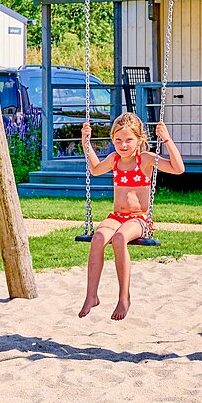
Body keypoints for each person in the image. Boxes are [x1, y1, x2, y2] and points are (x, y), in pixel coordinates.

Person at [79, 112, 185, 319]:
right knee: (98, 238)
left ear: (139, 139)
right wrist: (86, 143)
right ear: (112, 140)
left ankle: (124, 298)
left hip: (139, 219)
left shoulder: (144, 159)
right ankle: (91, 295)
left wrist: (166, 139)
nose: (123, 145)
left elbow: (178, 168)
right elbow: (95, 170)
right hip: (116, 217)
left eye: (129, 140)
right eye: (118, 140)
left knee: (119, 238)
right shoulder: (114, 159)